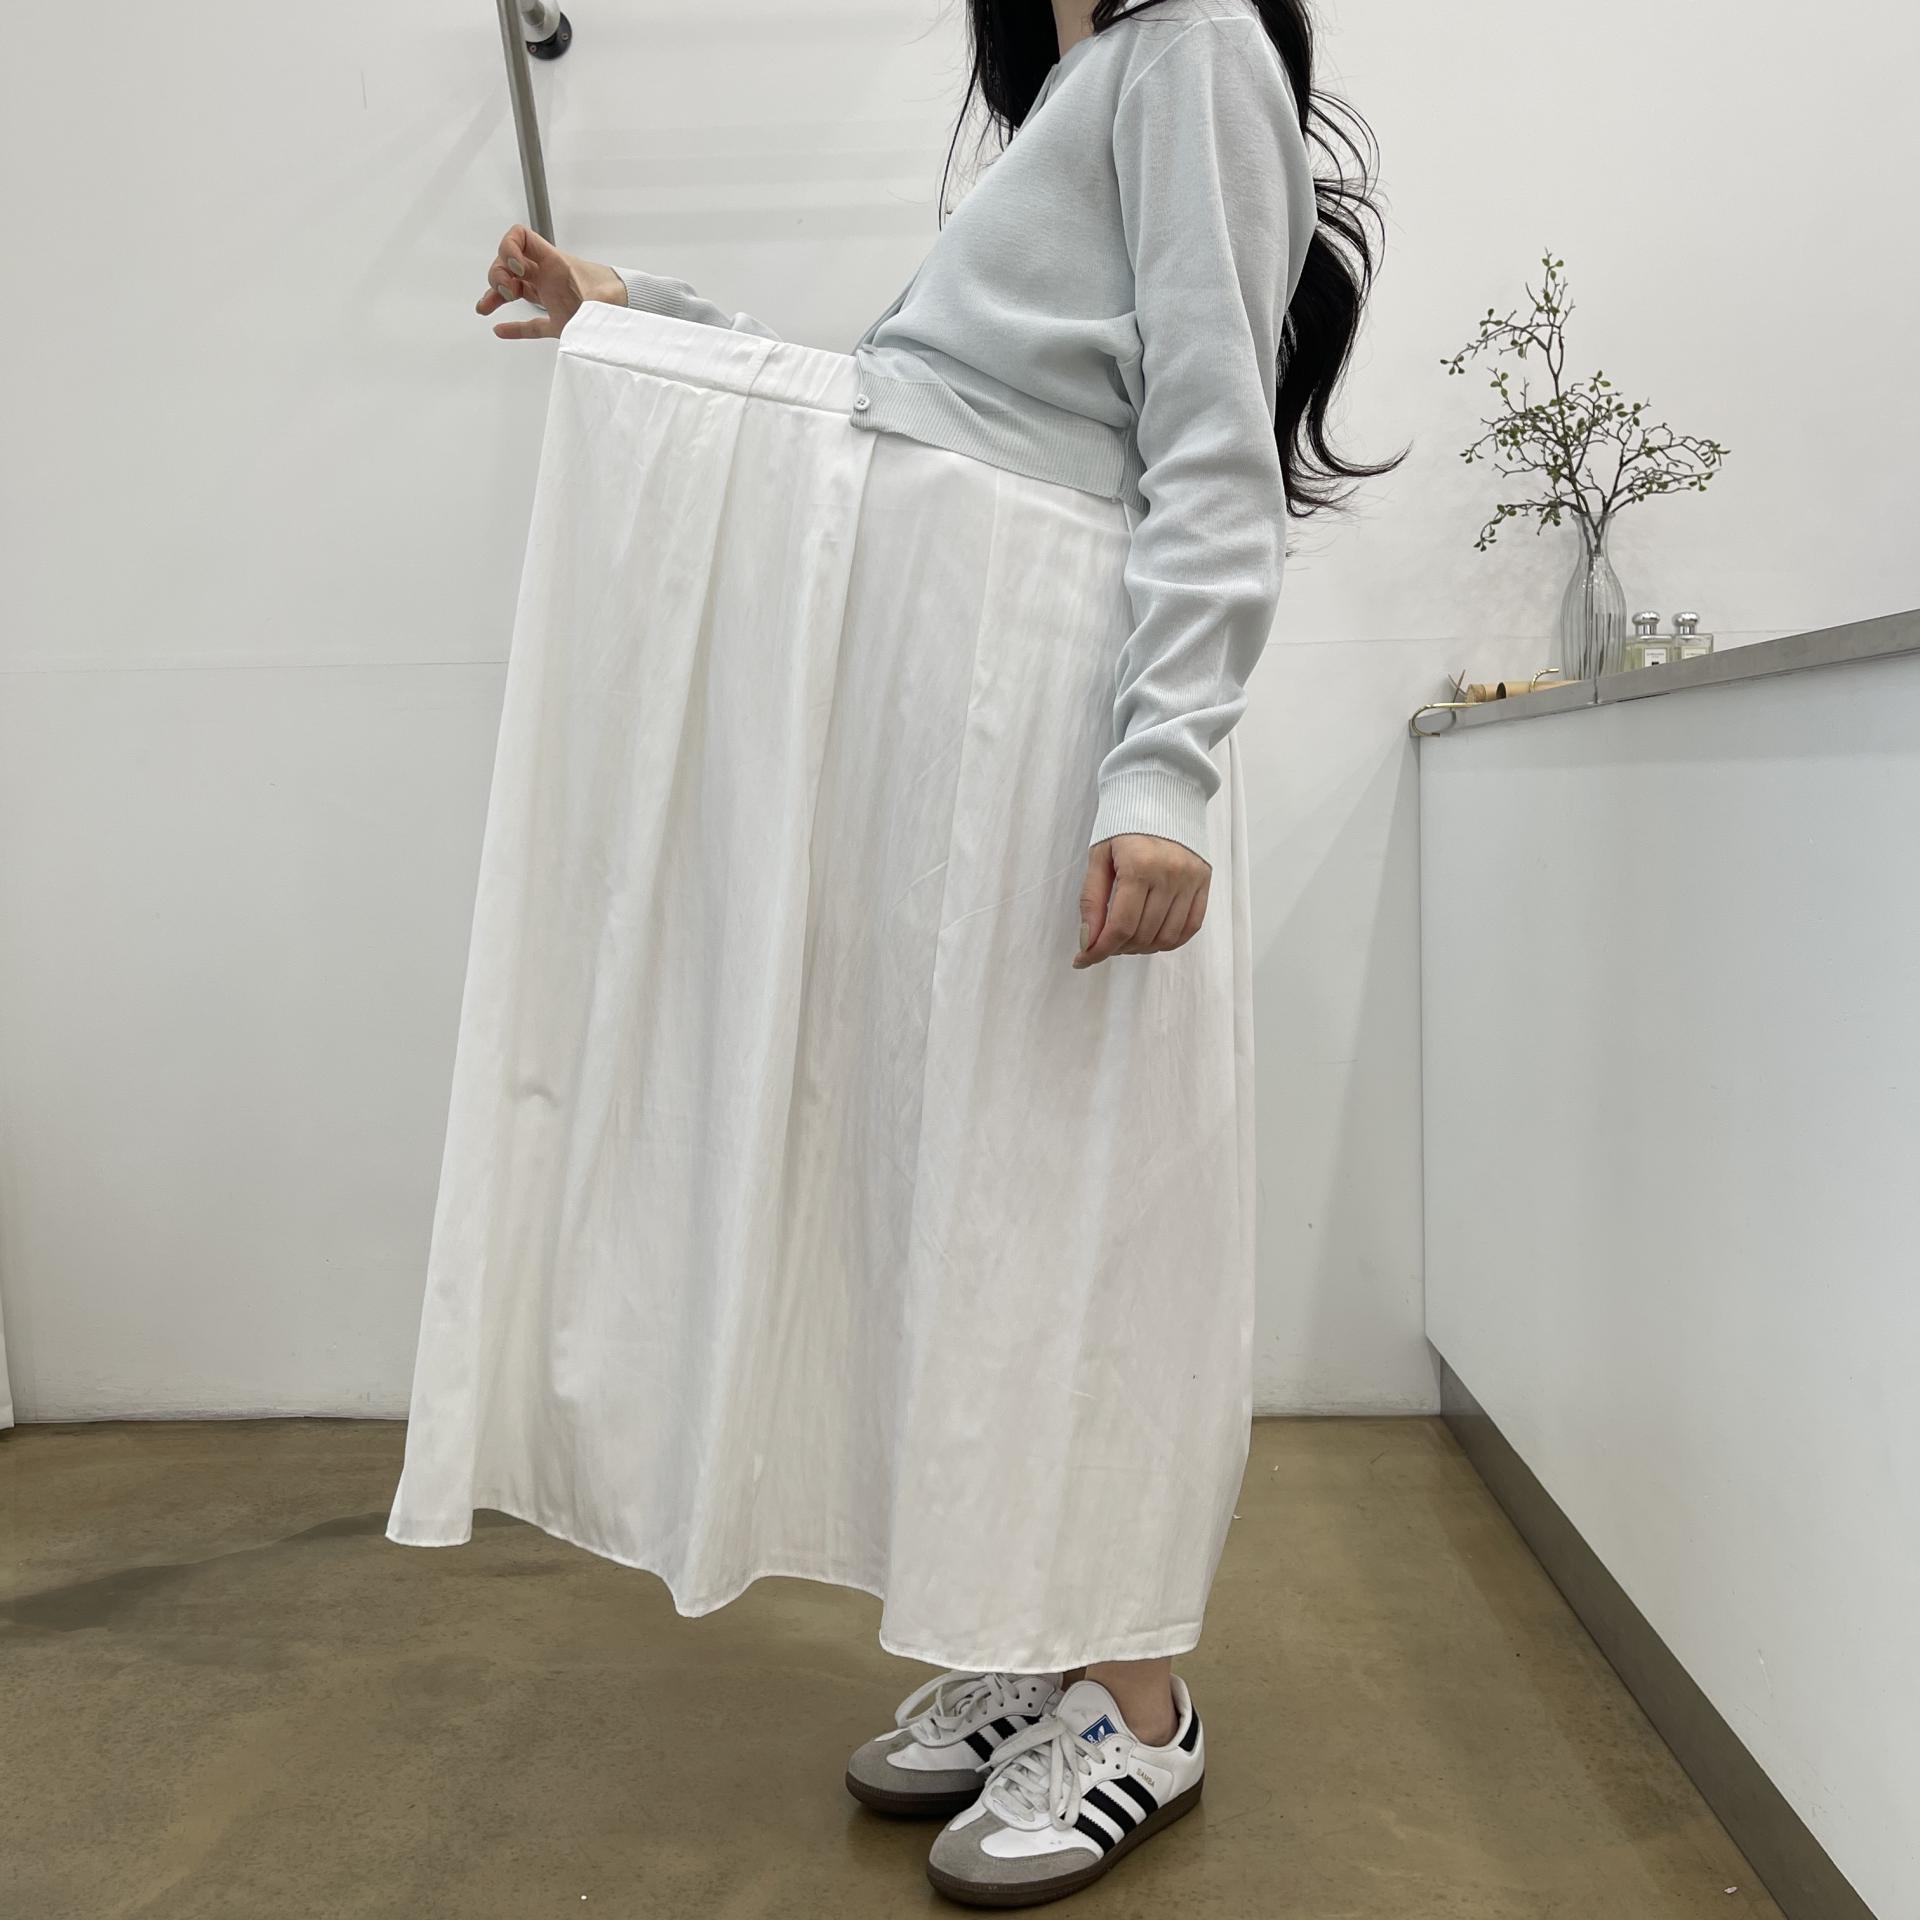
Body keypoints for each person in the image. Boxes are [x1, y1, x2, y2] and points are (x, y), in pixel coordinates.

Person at [386, 0, 1397, 1904]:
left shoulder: (1190, 47)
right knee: (969, 1192)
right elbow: (881, 402)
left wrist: (1163, 771)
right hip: (972, 720)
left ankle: (1143, 1705)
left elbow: (1210, 439)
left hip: (1057, 708)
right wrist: (633, 304)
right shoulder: (1082, 92)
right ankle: (1033, 1618)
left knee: (1077, 1193)